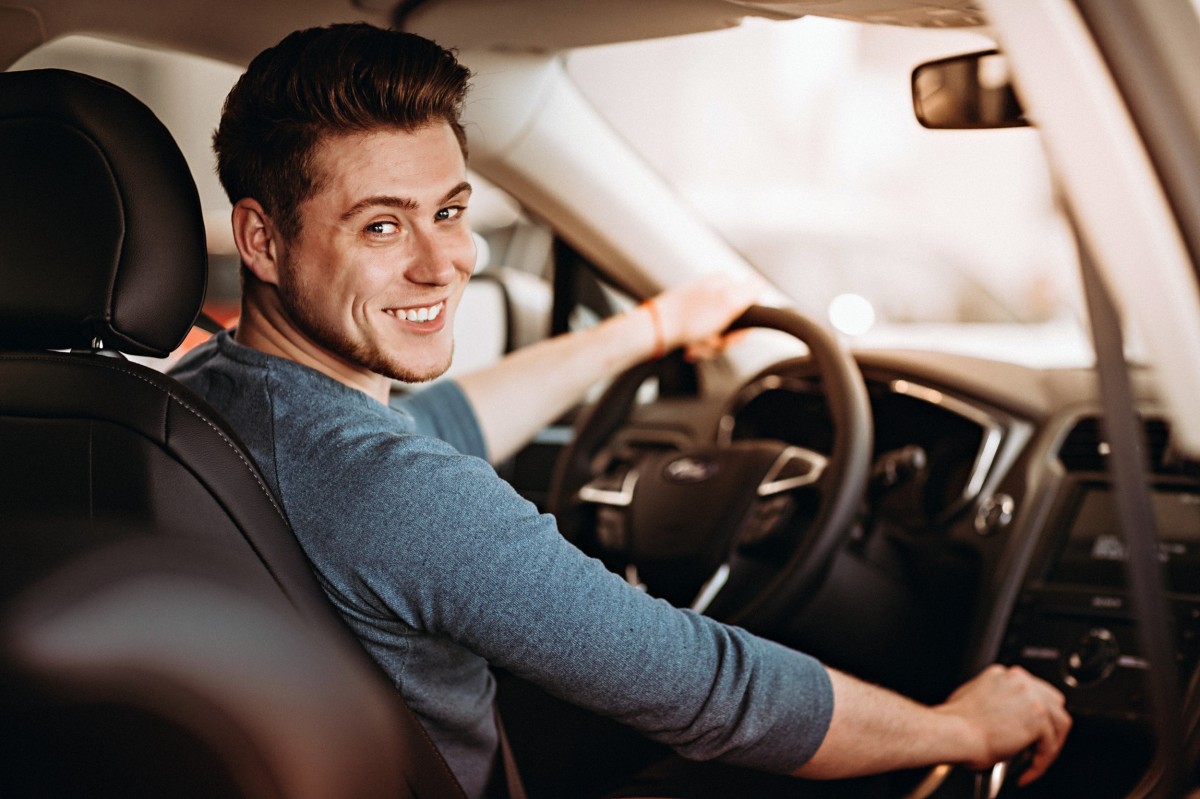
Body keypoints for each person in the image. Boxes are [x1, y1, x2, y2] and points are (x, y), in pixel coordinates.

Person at [171, 22, 1070, 799]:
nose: (444, 262)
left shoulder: (195, 398)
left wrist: (648, 329)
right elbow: (714, 690)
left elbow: (436, 424)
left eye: (449, 210)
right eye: (381, 225)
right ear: (260, 239)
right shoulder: (401, 497)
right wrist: (960, 727)